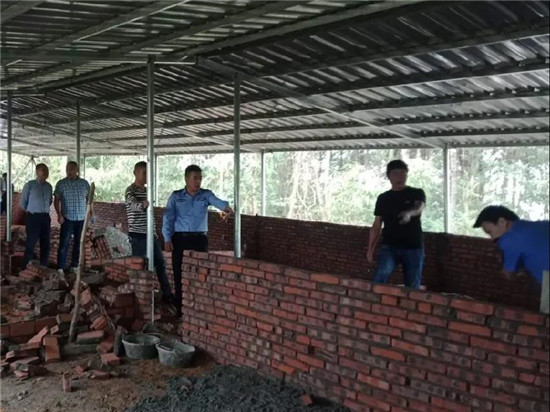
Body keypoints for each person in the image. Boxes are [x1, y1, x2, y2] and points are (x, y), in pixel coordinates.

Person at [163, 164, 233, 317]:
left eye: (200, 178)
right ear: (186, 179)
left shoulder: (205, 195)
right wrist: (167, 238)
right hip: (180, 239)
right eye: (195, 178)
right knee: (179, 273)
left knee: (201, 272)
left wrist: (226, 208)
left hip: (199, 240)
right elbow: (168, 218)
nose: (198, 181)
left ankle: (198, 309)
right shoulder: (176, 196)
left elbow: (217, 201)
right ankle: (180, 308)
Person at [366, 160, 426, 289]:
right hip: (390, 246)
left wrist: (409, 213)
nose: (400, 177)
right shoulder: (383, 198)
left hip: (413, 246)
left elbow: (419, 207)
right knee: (379, 278)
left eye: (403, 173)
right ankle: (374, 300)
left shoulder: (416, 193)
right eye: (396, 173)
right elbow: (377, 225)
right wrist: (370, 248)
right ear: (389, 176)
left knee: (412, 285)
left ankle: (410, 302)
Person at [125, 161, 174, 306]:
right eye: (144, 173)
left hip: (151, 235)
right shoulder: (130, 190)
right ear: (135, 173)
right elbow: (133, 205)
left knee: (160, 264)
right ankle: (139, 296)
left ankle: (167, 295)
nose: (147, 176)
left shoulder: (148, 191)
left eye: (148, 173)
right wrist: (143, 204)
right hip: (137, 234)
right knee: (141, 265)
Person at [473, 205, 549, 285]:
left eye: (489, 232)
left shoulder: (508, 240)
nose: (492, 238)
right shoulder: (543, 225)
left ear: (502, 222)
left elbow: (509, 274)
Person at [54, 161, 90, 272]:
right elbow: (56, 200)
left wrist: (90, 214)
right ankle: (61, 268)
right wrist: (59, 215)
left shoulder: (84, 184)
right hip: (67, 219)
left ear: (77, 170)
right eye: (67, 169)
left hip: (81, 219)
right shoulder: (61, 184)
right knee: (64, 244)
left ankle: (74, 266)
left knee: (78, 244)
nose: (69, 171)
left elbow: (89, 200)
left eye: (72, 169)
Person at [20, 163, 53, 267]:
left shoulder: (49, 186)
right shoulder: (30, 185)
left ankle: (43, 265)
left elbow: (50, 201)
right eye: (43, 170)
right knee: (31, 242)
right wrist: (31, 211)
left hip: (45, 217)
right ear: (37, 172)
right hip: (33, 217)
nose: (45, 172)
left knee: (45, 242)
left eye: (47, 170)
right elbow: (23, 203)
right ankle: (26, 266)